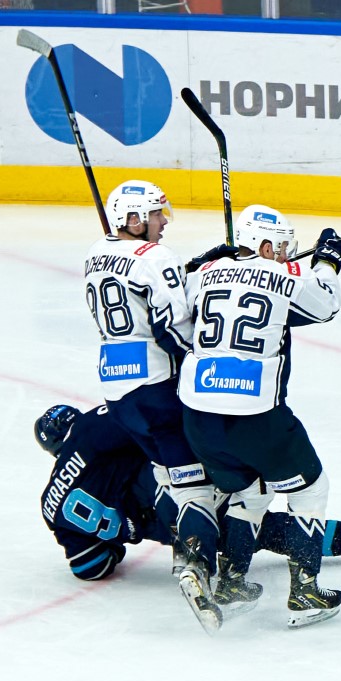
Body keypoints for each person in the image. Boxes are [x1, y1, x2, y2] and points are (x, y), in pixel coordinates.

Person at [177, 203, 341, 632]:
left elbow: (177, 299)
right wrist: (327, 261)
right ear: (265, 244)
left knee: (251, 490)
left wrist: (199, 263)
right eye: (284, 248)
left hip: (197, 417)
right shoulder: (284, 276)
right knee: (311, 488)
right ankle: (305, 592)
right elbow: (326, 304)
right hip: (254, 416)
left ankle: (233, 583)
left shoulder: (202, 276)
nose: (289, 256)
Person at [35, 404, 341, 583]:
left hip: (161, 526)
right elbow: (151, 423)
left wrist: (118, 542)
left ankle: (196, 562)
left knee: (263, 531)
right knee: (255, 507)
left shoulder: (51, 504)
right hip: (176, 494)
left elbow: (90, 567)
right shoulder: (91, 428)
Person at [83, 181, 220, 611]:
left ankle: (183, 547)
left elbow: (133, 287)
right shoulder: (157, 256)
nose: (163, 224)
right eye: (157, 215)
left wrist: (195, 270)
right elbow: (172, 326)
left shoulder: (92, 256)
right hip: (158, 388)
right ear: (135, 219)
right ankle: (195, 566)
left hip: (118, 391)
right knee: (198, 483)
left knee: (167, 474)